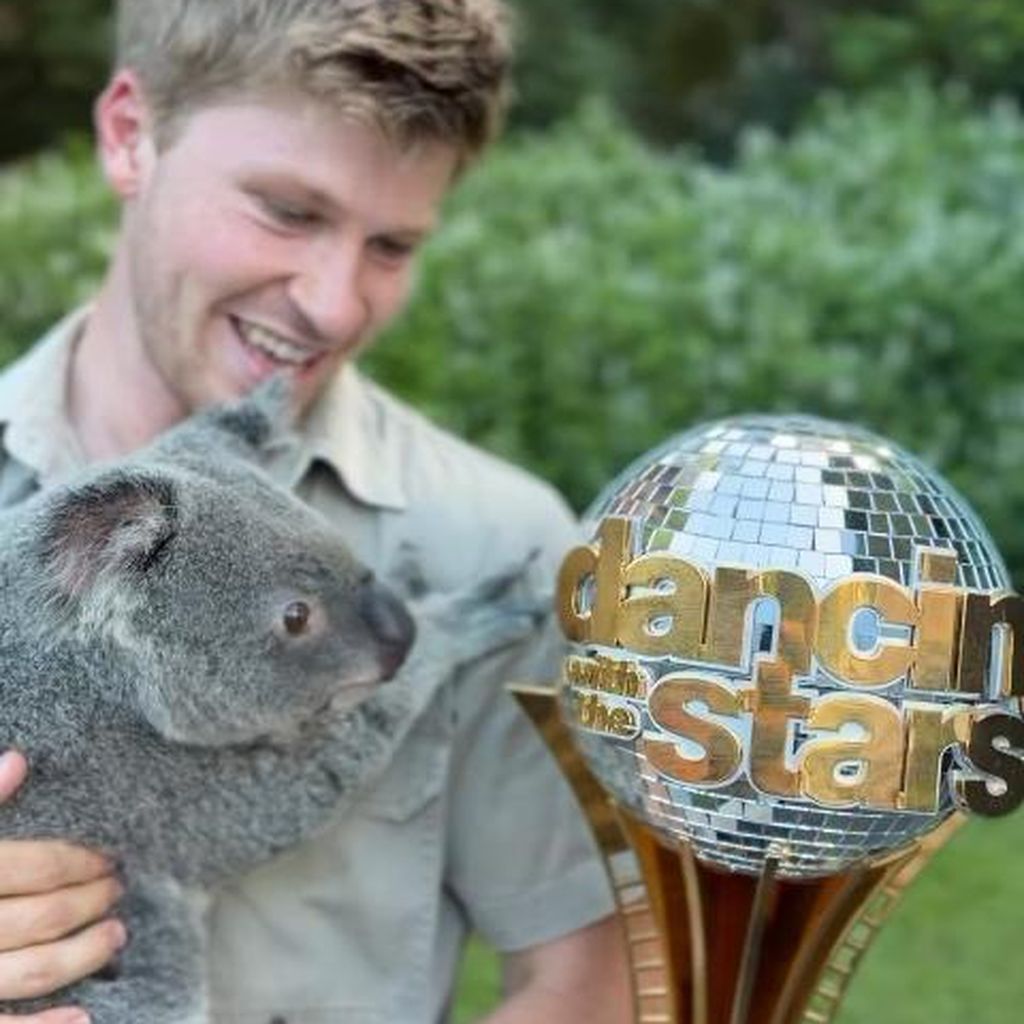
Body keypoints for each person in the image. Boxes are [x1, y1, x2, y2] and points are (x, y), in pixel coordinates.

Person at [0, 1, 631, 1022]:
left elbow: (588, 986)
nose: (335, 304)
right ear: (130, 135)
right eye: (287, 212)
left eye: (390, 245)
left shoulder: (499, 543)